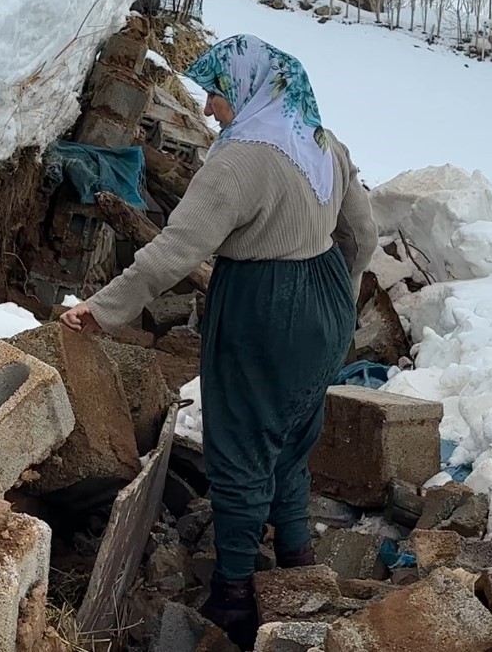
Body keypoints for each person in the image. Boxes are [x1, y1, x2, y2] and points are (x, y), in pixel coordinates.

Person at [60, 33, 377, 648]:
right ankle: (296, 556)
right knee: (291, 432)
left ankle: (233, 594)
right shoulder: (321, 142)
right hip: (324, 303)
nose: (208, 108)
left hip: (264, 309)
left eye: (216, 93)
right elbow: (361, 236)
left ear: (250, 89)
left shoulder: (237, 163)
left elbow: (175, 251)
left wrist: (103, 310)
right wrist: (339, 297)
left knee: (240, 443)